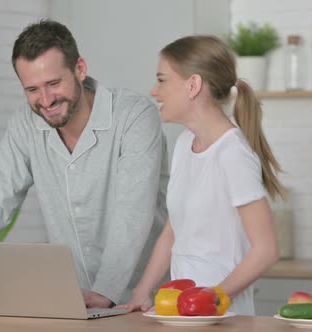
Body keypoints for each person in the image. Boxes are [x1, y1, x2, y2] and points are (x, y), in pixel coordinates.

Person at [0, 19, 169, 309]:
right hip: (79, 304)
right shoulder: (25, 124)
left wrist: (106, 290)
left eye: (54, 83)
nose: (45, 100)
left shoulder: (134, 115)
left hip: (150, 301)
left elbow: (133, 211)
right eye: (32, 89)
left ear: (80, 70)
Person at [119, 35, 284, 315]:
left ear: (193, 85)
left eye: (162, 80)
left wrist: (213, 297)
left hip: (222, 316)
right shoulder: (185, 143)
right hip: (182, 312)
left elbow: (266, 250)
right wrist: (141, 292)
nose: (154, 91)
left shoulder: (233, 154)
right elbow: (173, 232)